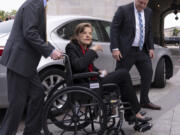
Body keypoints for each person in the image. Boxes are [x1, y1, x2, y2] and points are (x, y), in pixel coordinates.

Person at [65, 23, 152, 125]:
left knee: (122, 78)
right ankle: (135, 112)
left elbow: (87, 68)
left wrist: (98, 71)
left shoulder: (83, 48)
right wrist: (93, 50)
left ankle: (131, 113)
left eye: (90, 33)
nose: (88, 35)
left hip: (91, 82)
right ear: (77, 35)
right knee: (123, 73)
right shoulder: (71, 47)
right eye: (84, 33)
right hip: (84, 86)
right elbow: (78, 66)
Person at [0, 0, 62, 135]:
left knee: (38, 93)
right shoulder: (34, 4)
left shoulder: (38, 4)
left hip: (26, 63)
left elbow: (38, 35)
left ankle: (32, 131)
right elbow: (30, 32)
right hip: (19, 61)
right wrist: (50, 51)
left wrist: (52, 49)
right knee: (17, 103)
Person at [110, 0, 161, 110]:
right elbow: (114, 29)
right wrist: (115, 48)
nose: (142, 5)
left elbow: (149, 30)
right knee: (119, 76)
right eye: (140, 2)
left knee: (148, 74)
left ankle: (144, 101)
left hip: (142, 51)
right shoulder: (123, 10)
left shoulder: (148, 11)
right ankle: (113, 101)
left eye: (145, 3)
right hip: (126, 51)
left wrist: (151, 47)